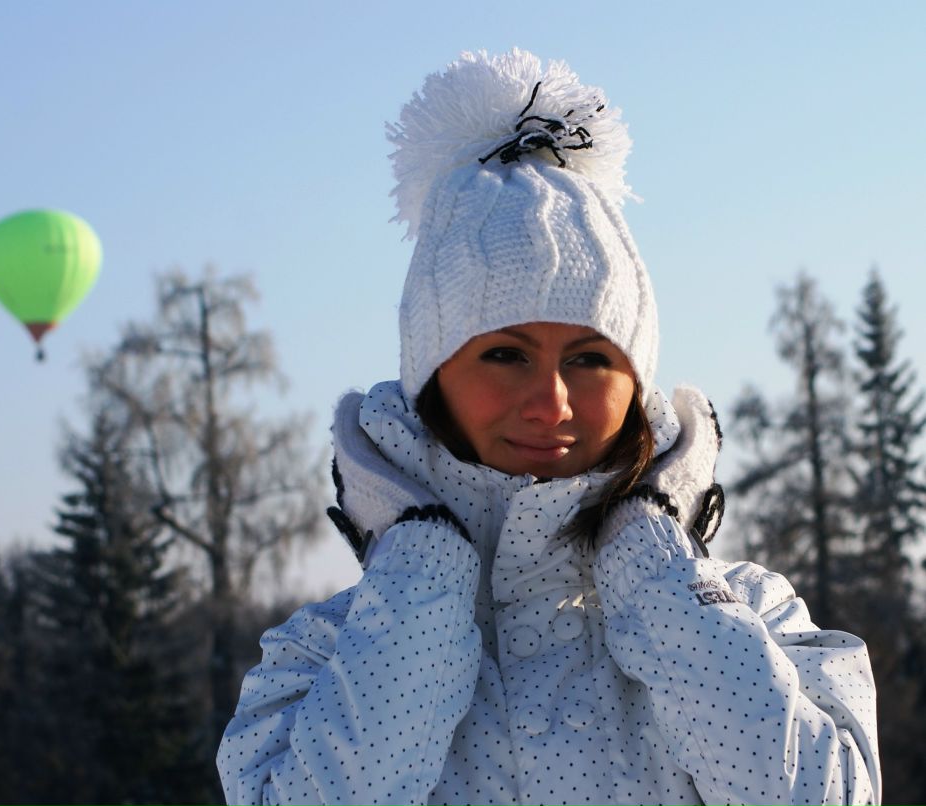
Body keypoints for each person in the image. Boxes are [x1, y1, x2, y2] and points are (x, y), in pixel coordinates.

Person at [216, 48, 881, 806]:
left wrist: (656, 575)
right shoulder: (326, 654)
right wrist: (422, 577)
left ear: (637, 385)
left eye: (591, 358)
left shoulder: (753, 618)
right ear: (432, 378)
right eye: (505, 354)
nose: (552, 403)